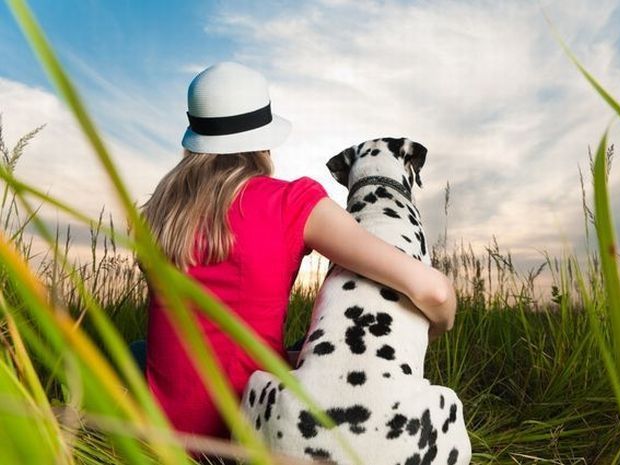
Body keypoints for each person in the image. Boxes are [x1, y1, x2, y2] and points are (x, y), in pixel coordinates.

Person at [137, 62, 457, 462]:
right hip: (235, 430)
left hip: (157, 425)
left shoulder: (159, 212)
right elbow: (433, 290)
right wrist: (439, 324)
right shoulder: (291, 202)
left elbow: (211, 326)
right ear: (263, 142)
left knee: (138, 350)